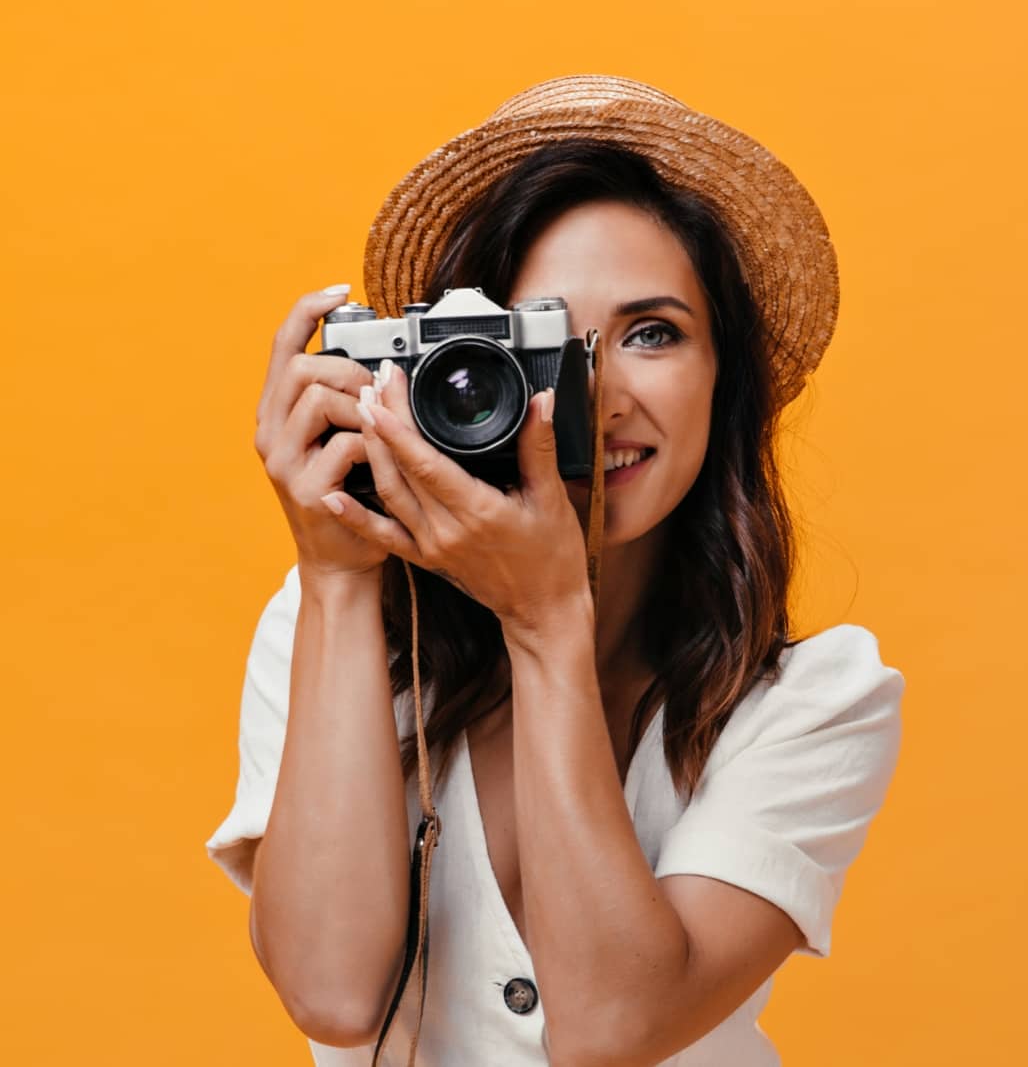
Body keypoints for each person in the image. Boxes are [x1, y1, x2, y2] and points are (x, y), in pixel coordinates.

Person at [207, 75, 905, 1066]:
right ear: (442, 373)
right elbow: (331, 993)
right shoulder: (338, 624)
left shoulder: (815, 699)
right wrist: (332, 576)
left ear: (725, 378)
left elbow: (610, 1028)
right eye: (546, 343)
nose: (596, 395)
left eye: (651, 332)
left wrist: (543, 623)